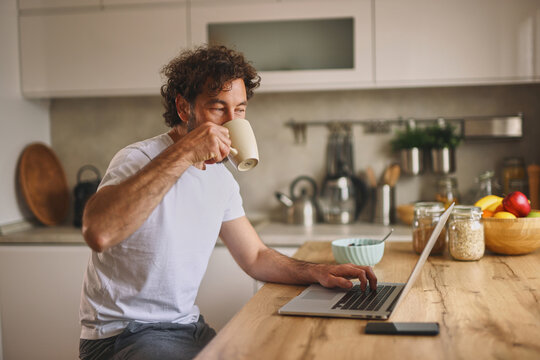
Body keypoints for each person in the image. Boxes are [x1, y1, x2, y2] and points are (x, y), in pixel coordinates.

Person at [78, 45, 377, 360]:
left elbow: (256, 256)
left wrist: (317, 272)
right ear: (183, 108)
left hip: (186, 326)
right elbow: (99, 232)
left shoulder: (221, 179)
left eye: (240, 109)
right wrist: (187, 151)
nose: (231, 121)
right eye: (218, 108)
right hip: (124, 335)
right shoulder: (136, 158)